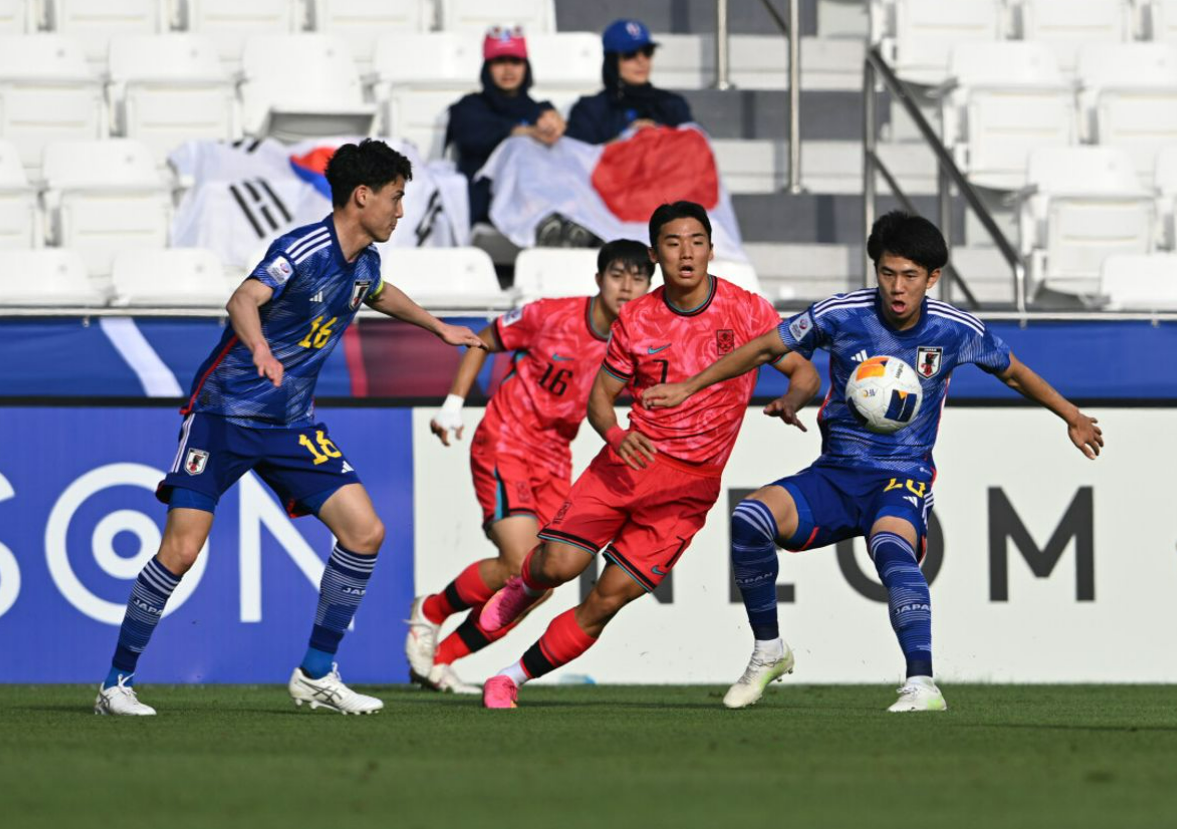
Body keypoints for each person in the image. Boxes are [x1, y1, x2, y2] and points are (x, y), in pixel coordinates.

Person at [642, 210, 1104, 712]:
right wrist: (688, 386)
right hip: (835, 475)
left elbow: (1012, 373)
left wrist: (1071, 415)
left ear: (933, 278)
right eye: (887, 273)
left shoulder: (954, 329)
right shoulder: (841, 314)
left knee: (890, 547)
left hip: (901, 477)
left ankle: (922, 684)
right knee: (749, 518)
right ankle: (768, 650)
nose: (897, 287)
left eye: (910, 276)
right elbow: (764, 348)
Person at [93, 139, 484, 716]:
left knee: (365, 532)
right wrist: (259, 350)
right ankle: (115, 685)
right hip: (223, 416)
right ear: (362, 196)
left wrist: (437, 326)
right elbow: (243, 298)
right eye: (396, 198)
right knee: (180, 550)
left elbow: (376, 293)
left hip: (289, 423)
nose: (401, 211)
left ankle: (317, 672)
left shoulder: (366, 261)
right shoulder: (301, 248)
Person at [474, 201, 821, 708]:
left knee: (606, 599)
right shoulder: (637, 318)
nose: (687, 253)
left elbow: (804, 371)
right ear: (657, 254)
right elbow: (599, 399)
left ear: (710, 248)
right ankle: (525, 584)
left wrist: (793, 397)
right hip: (626, 466)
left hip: (689, 490)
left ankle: (509, 677)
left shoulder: (747, 310)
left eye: (697, 241)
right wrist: (614, 435)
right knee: (558, 565)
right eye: (674, 243)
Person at [405, 240, 654, 693]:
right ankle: (432, 612)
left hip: (557, 457)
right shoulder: (550, 315)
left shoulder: (637, 346)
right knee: (521, 561)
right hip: (507, 441)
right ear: (599, 280)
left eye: (639, 278)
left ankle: (442, 659)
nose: (627, 286)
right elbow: (485, 338)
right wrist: (454, 403)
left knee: (544, 577)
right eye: (618, 275)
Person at [446, 25, 566, 226]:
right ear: (487, 67)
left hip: (539, 200)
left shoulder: (542, 111)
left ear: (526, 66)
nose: (509, 69)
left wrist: (558, 127)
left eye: (516, 61)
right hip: (484, 206)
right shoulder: (468, 107)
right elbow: (472, 137)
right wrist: (526, 132)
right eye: (500, 61)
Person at [565, 19, 694, 146]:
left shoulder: (673, 105)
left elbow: (696, 152)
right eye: (630, 54)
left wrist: (661, 136)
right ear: (612, 61)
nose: (641, 60)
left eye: (647, 51)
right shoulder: (589, 110)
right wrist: (624, 142)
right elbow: (576, 160)